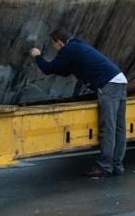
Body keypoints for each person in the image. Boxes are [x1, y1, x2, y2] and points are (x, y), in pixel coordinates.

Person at [29, 28, 127, 177]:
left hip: (108, 85)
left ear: (59, 42)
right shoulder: (78, 45)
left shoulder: (69, 49)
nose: (54, 48)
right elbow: (66, 71)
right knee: (119, 128)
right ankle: (117, 166)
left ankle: (104, 167)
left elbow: (48, 69)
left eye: (53, 45)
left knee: (108, 128)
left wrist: (37, 57)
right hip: (119, 80)